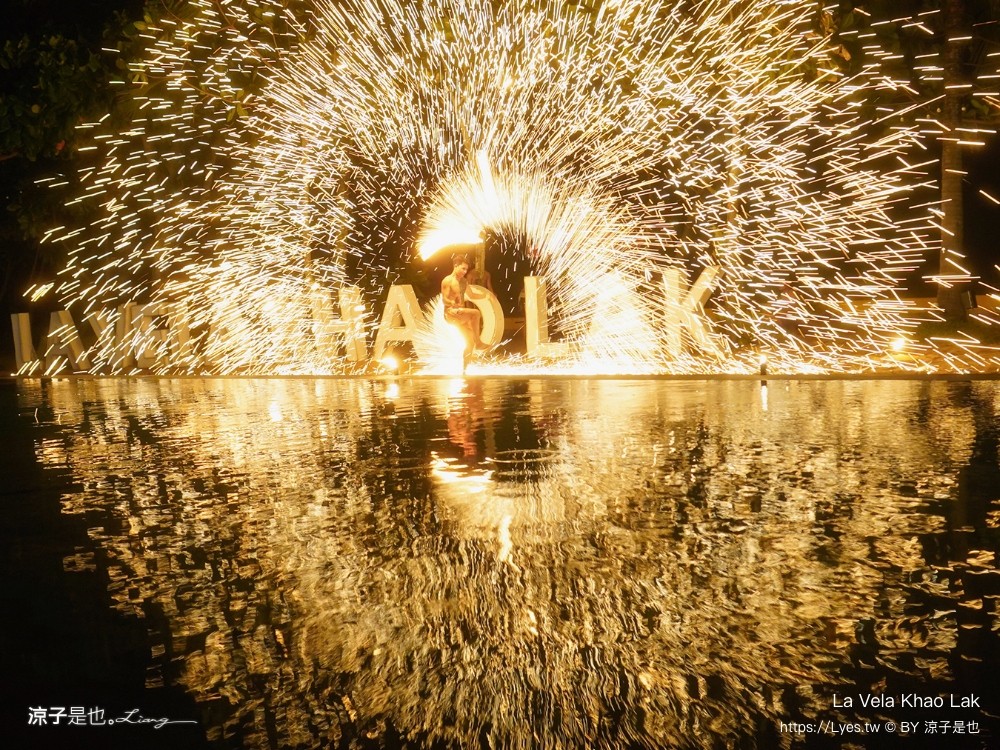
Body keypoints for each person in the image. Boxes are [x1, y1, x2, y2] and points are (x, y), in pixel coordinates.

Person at [442, 253, 486, 354]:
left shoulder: (464, 281)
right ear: (455, 266)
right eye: (463, 268)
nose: (465, 272)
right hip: (451, 313)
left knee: (470, 344)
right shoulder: (447, 281)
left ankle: (464, 369)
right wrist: (452, 302)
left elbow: (471, 295)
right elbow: (444, 300)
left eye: (466, 269)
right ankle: (479, 342)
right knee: (476, 313)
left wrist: (487, 297)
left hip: (461, 315)